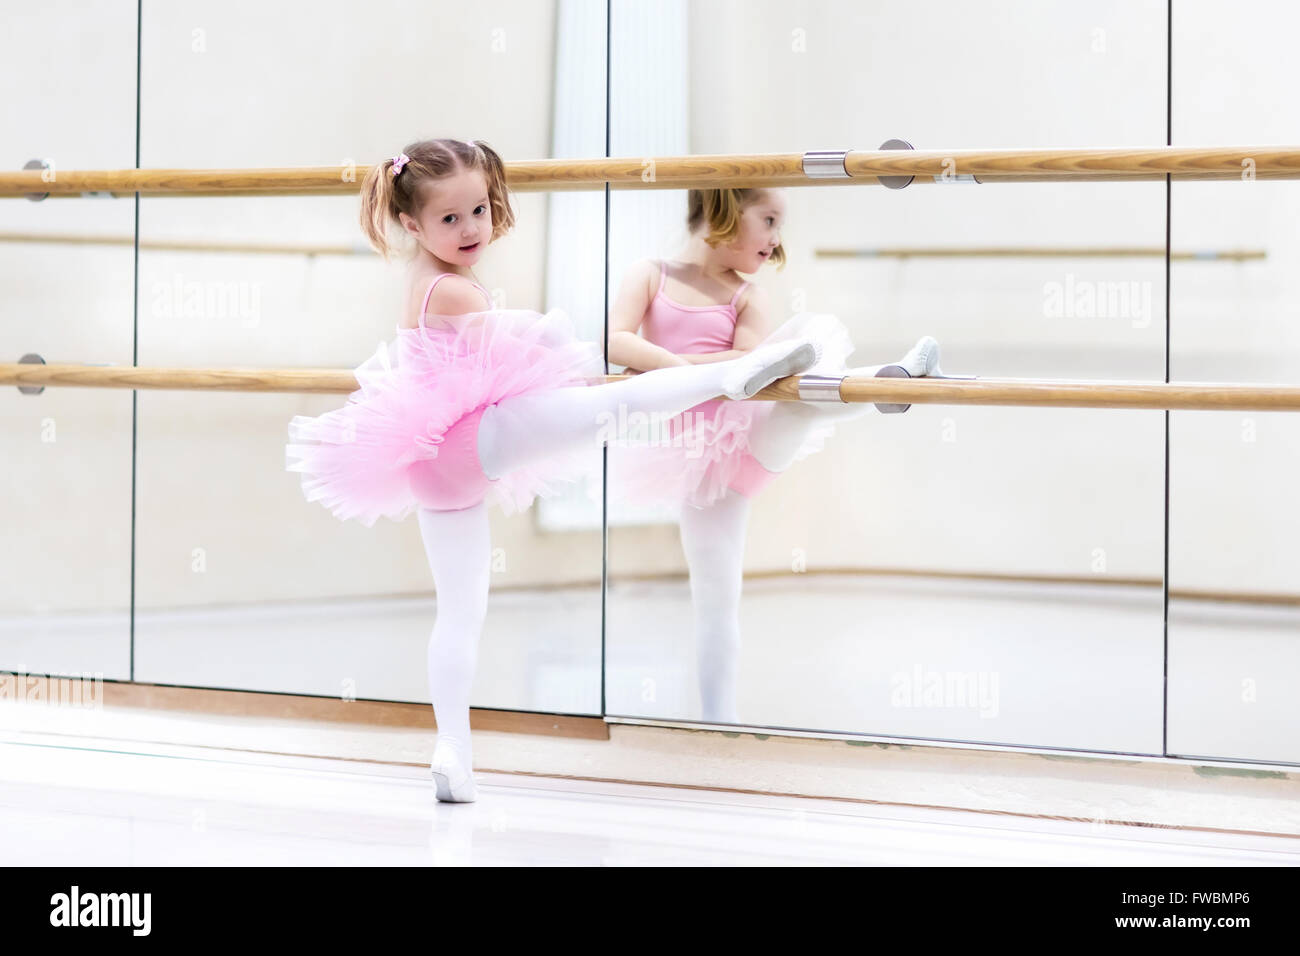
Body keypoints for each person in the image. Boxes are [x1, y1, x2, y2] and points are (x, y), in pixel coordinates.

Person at [285, 138, 822, 801]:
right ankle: (732, 374)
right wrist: (565, 346)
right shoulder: (451, 289)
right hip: (465, 441)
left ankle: (453, 750)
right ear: (409, 224)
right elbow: (527, 344)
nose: (471, 229)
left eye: (479, 210)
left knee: (460, 614)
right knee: (617, 401)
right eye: (449, 219)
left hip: (437, 471)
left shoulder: (425, 278)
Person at [605, 186, 942, 723]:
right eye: (769, 221)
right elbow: (615, 342)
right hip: (698, 466)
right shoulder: (650, 274)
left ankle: (891, 380)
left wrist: (673, 369)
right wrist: (695, 370)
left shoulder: (747, 296)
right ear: (726, 210)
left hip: (751, 435)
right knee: (716, 600)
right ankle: (718, 720)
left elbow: (742, 368)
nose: (776, 241)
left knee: (797, 399)